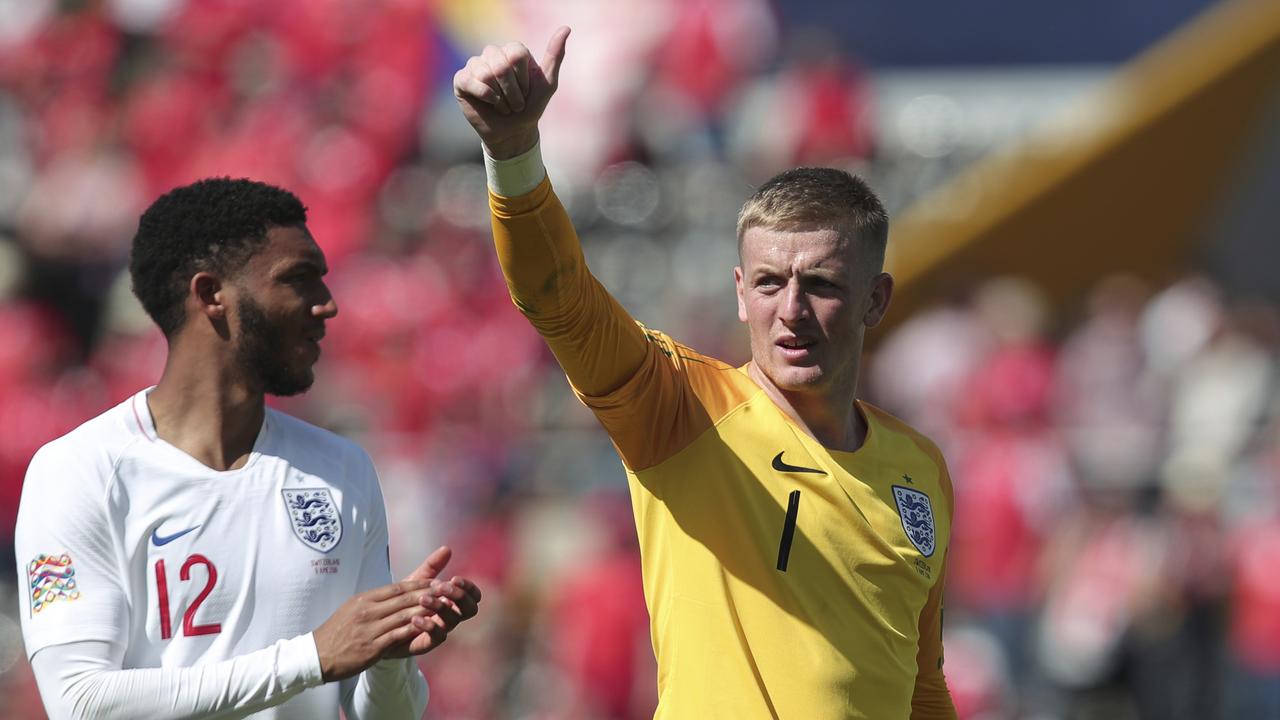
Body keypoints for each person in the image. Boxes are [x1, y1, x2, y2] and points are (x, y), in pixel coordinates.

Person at [454, 28, 957, 718]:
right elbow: (559, 300)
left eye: (823, 286)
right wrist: (512, 153)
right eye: (770, 283)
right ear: (739, 293)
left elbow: (921, 687)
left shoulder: (919, 467)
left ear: (876, 298)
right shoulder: (684, 409)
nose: (792, 312)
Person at [14, 178, 482, 720]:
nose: (327, 307)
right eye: (297, 281)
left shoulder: (341, 471)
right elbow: (81, 703)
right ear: (212, 295)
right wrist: (312, 656)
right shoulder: (79, 471)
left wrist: (388, 653)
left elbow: (383, 715)